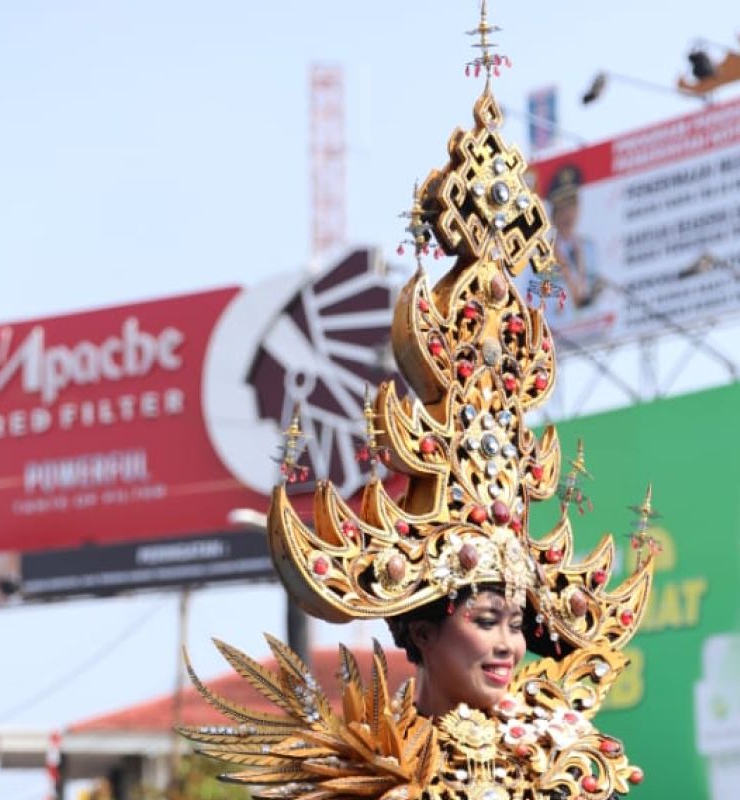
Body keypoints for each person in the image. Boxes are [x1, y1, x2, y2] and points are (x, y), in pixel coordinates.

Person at [180, 11, 655, 800]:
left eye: (513, 621)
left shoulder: (563, 760)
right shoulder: (377, 774)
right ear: (423, 632)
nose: (508, 644)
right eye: (486, 620)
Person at [388, 586, 525, 718]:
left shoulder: (540, 737)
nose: (508, 646)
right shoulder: (382, 740)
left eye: (516, 626)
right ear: (423, 635)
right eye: (487, 622)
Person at [548, 164, 604, 310]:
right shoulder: (544, 255)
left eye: (572, 207)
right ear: (553, 215)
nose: (568, 215)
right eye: (562, 208)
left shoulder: (589, 247)